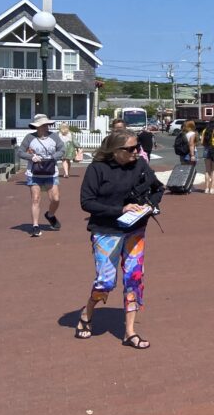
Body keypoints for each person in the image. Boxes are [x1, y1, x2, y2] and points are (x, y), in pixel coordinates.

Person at [76, 129, 164, 349]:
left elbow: (158, 188)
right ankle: (86, 314)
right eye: (131, 149)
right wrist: (120, 209)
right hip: (106, 230)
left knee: (133, 278)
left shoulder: (140, 165)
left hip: (135, 230)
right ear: (115, 151)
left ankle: (130, 332)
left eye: (138, 147)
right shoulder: (97, 169)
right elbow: (87, 202)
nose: (137, 152)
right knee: (105, 281)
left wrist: (149, 205)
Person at [17, 114, 65, 238]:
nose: (46, 127)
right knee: (35, 198)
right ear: (37, 126)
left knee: (55, 198)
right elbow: (20, 152)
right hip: (34, 172)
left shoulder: (54, 137)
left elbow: (62, 150)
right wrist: (31, 157)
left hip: (50, 171)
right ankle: (35, 226)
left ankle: (50, 215)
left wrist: (53, 157)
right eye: (43, 125)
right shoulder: (29, 138)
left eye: (47, 125)